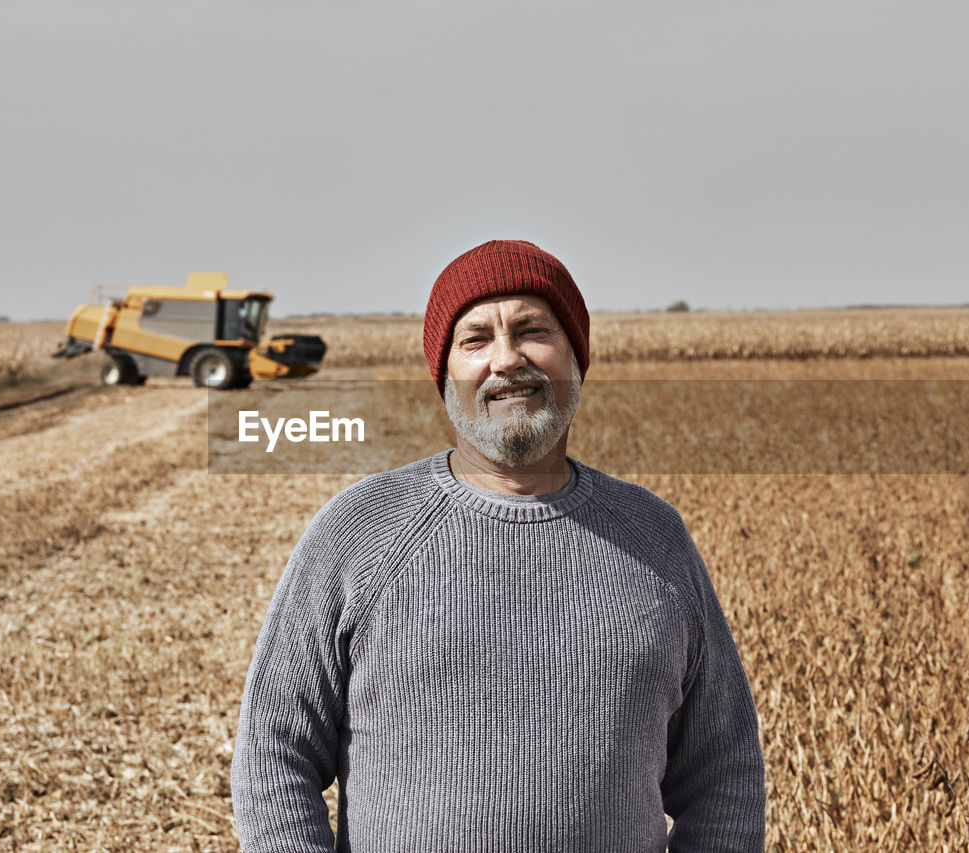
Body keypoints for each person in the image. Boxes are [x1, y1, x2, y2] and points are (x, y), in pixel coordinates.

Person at [231, 240, 765, 851]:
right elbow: (274, 756)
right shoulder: (360, 532)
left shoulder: (654, 538)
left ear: (576, 356)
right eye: (476, 339)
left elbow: (723, 774)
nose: (506, 360)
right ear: (446, 374)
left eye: (533, 330)